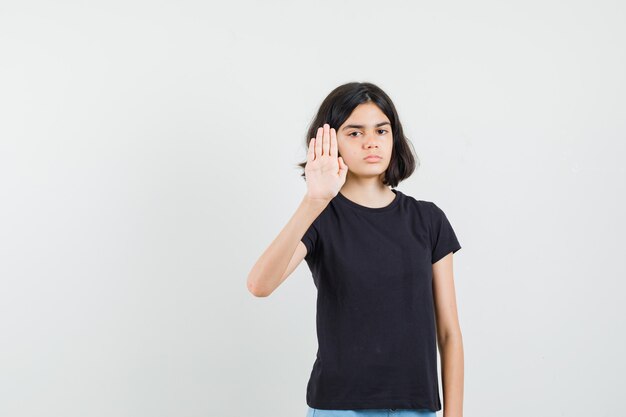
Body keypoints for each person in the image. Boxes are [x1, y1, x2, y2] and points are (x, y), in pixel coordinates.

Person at [247, 82, 464, 417]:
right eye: (354, 132)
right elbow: (260, 285)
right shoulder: (321, 218)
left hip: (416, 408)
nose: (371, 141)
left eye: (381, 130)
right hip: (339, 407)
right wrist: (314, 200)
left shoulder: (428, 220)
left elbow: (449, 333)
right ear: (330, 141)